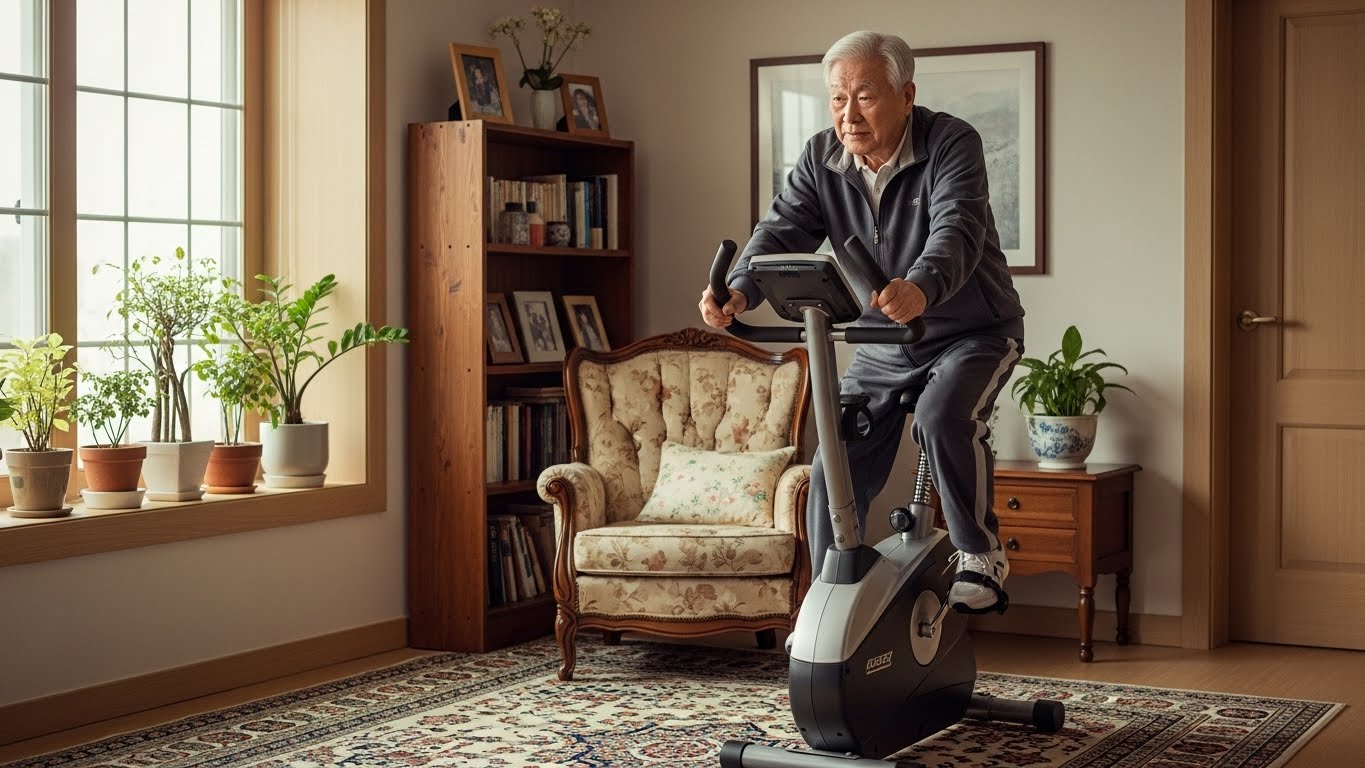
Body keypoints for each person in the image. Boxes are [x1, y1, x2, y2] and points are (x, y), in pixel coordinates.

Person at [698, 31, 1025, 614]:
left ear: (906, 94)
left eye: (866, 97)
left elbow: (958, 230)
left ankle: (980, 552)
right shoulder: (823, 156)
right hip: (885, 339)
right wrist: (739, 292)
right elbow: (780, 230)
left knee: (942, 415)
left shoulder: (951, 142)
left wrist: (921, 287)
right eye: (837, 99)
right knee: (834, 453)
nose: (849, 115)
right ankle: (832, 587)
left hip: (973, 329)